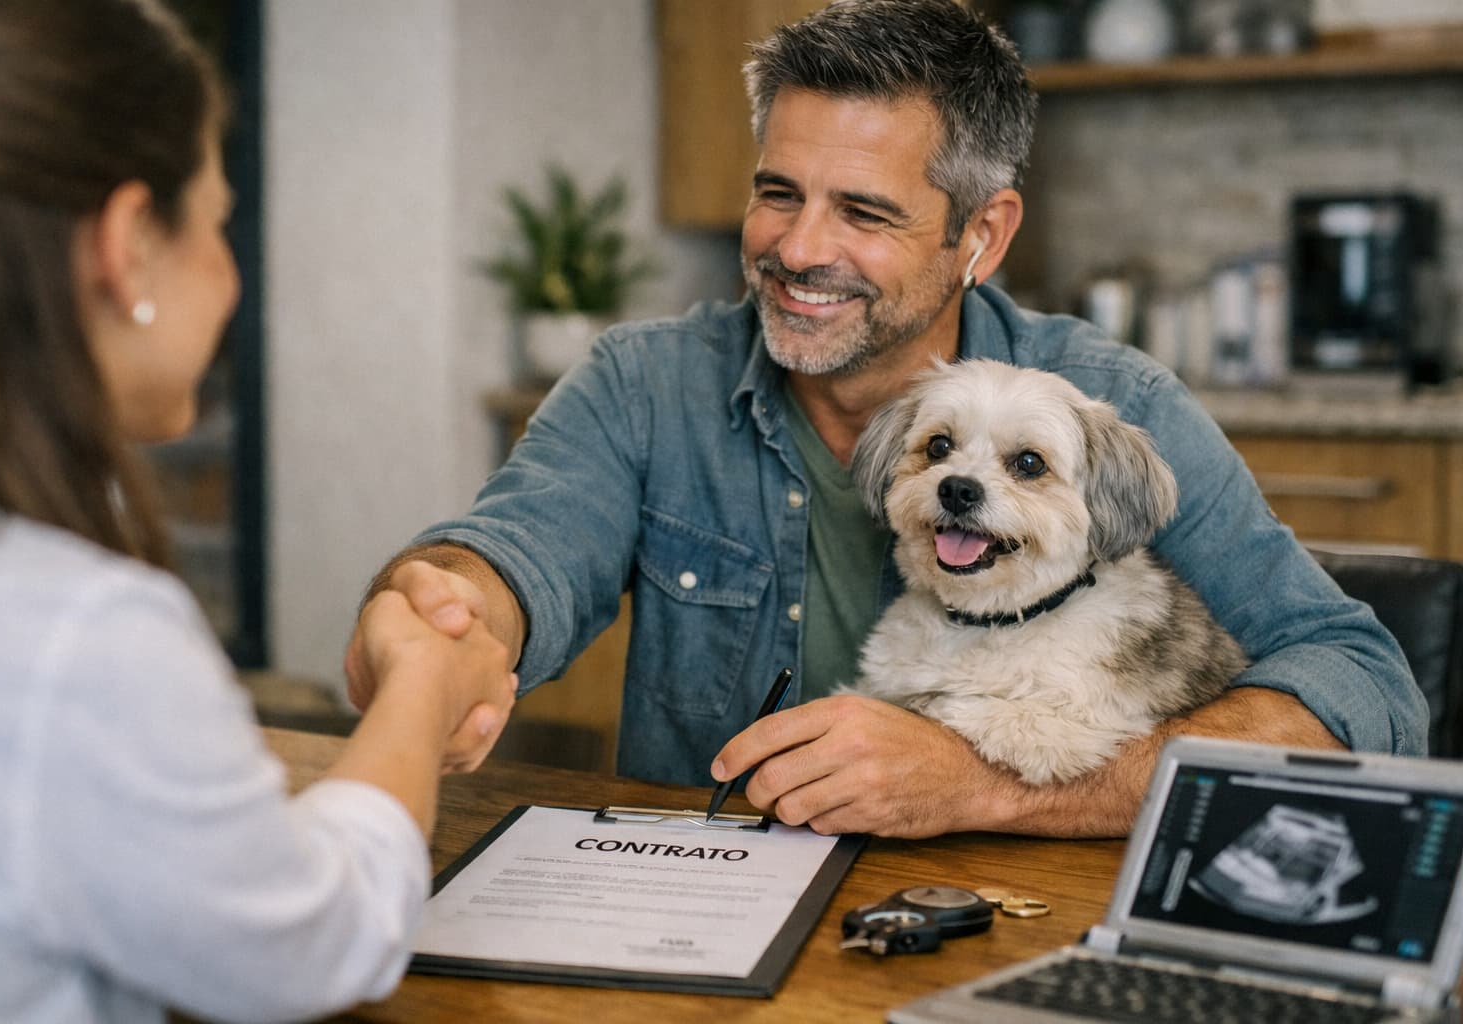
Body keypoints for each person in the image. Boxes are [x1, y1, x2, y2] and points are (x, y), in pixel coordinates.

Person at [346, 0, 1425, 840]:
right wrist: (446, 617)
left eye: (863, 211)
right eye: (779, 192)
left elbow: (1362, 689)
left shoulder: (1109, 406)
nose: (799, 247)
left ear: (981, 235)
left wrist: (991, 788)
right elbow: (513, 556)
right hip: (704, 910)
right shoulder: (646, 384)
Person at [0, 2, 516, 1021]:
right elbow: (308, 945)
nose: (230, 271)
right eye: (214, 217)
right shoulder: (79, 639)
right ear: (124, 245)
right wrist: (421, 686)